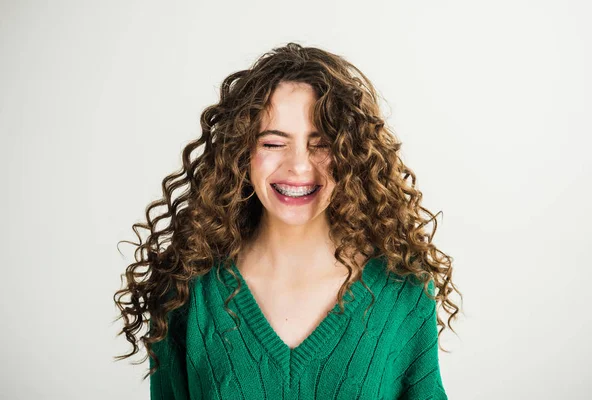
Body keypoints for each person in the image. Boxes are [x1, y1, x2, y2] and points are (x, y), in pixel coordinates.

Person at [114, 42, 461, 399]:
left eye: (322, 144)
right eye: (273, 143)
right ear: (240, 154)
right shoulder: (188, 292)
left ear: (351, 155)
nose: (298, 165)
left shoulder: (401, 290)